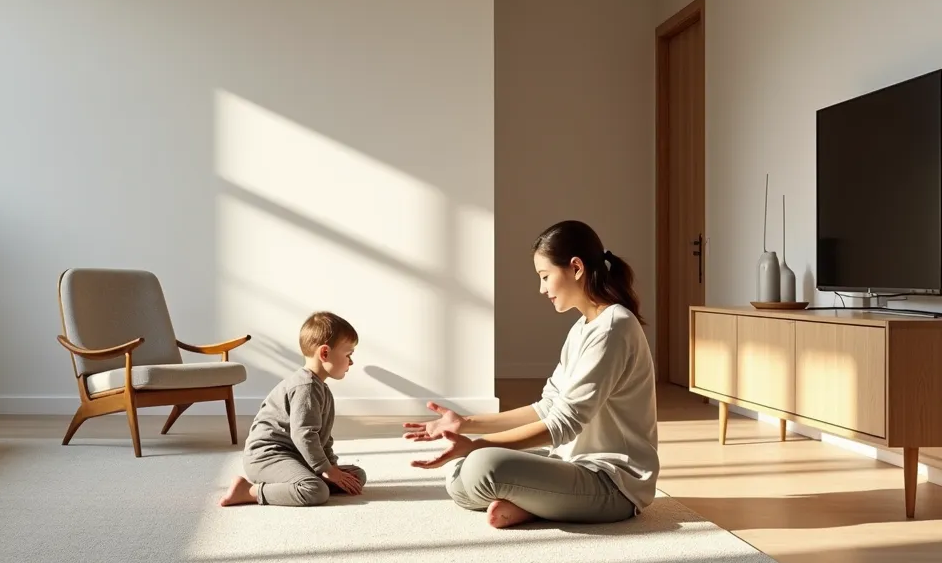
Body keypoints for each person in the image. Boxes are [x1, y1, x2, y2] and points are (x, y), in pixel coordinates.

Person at [403, 220, 659, 528]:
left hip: (612, 485)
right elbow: (547, 407)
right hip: (571, 466)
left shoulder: (614, 326)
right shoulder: (583, 328)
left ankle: (534, 501)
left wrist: (479, 445)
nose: (542, 288)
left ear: (575, 268)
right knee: (460, 474)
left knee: (482, 467)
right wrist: (467, 424)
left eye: (545, 276)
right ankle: (534, 503)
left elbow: (563, 423)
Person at [219, 311, 367, 506]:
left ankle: (303, 480)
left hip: (298, 455)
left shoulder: (322, 389)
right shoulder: (305, 388)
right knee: (315, 491)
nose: (352, 362)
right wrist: (328, 471)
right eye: (348, 355)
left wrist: (332, 469)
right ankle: (248, 491)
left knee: (357, 475)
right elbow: (304, 435)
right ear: (324, 353)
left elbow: (323, 439)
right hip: (268, 457)